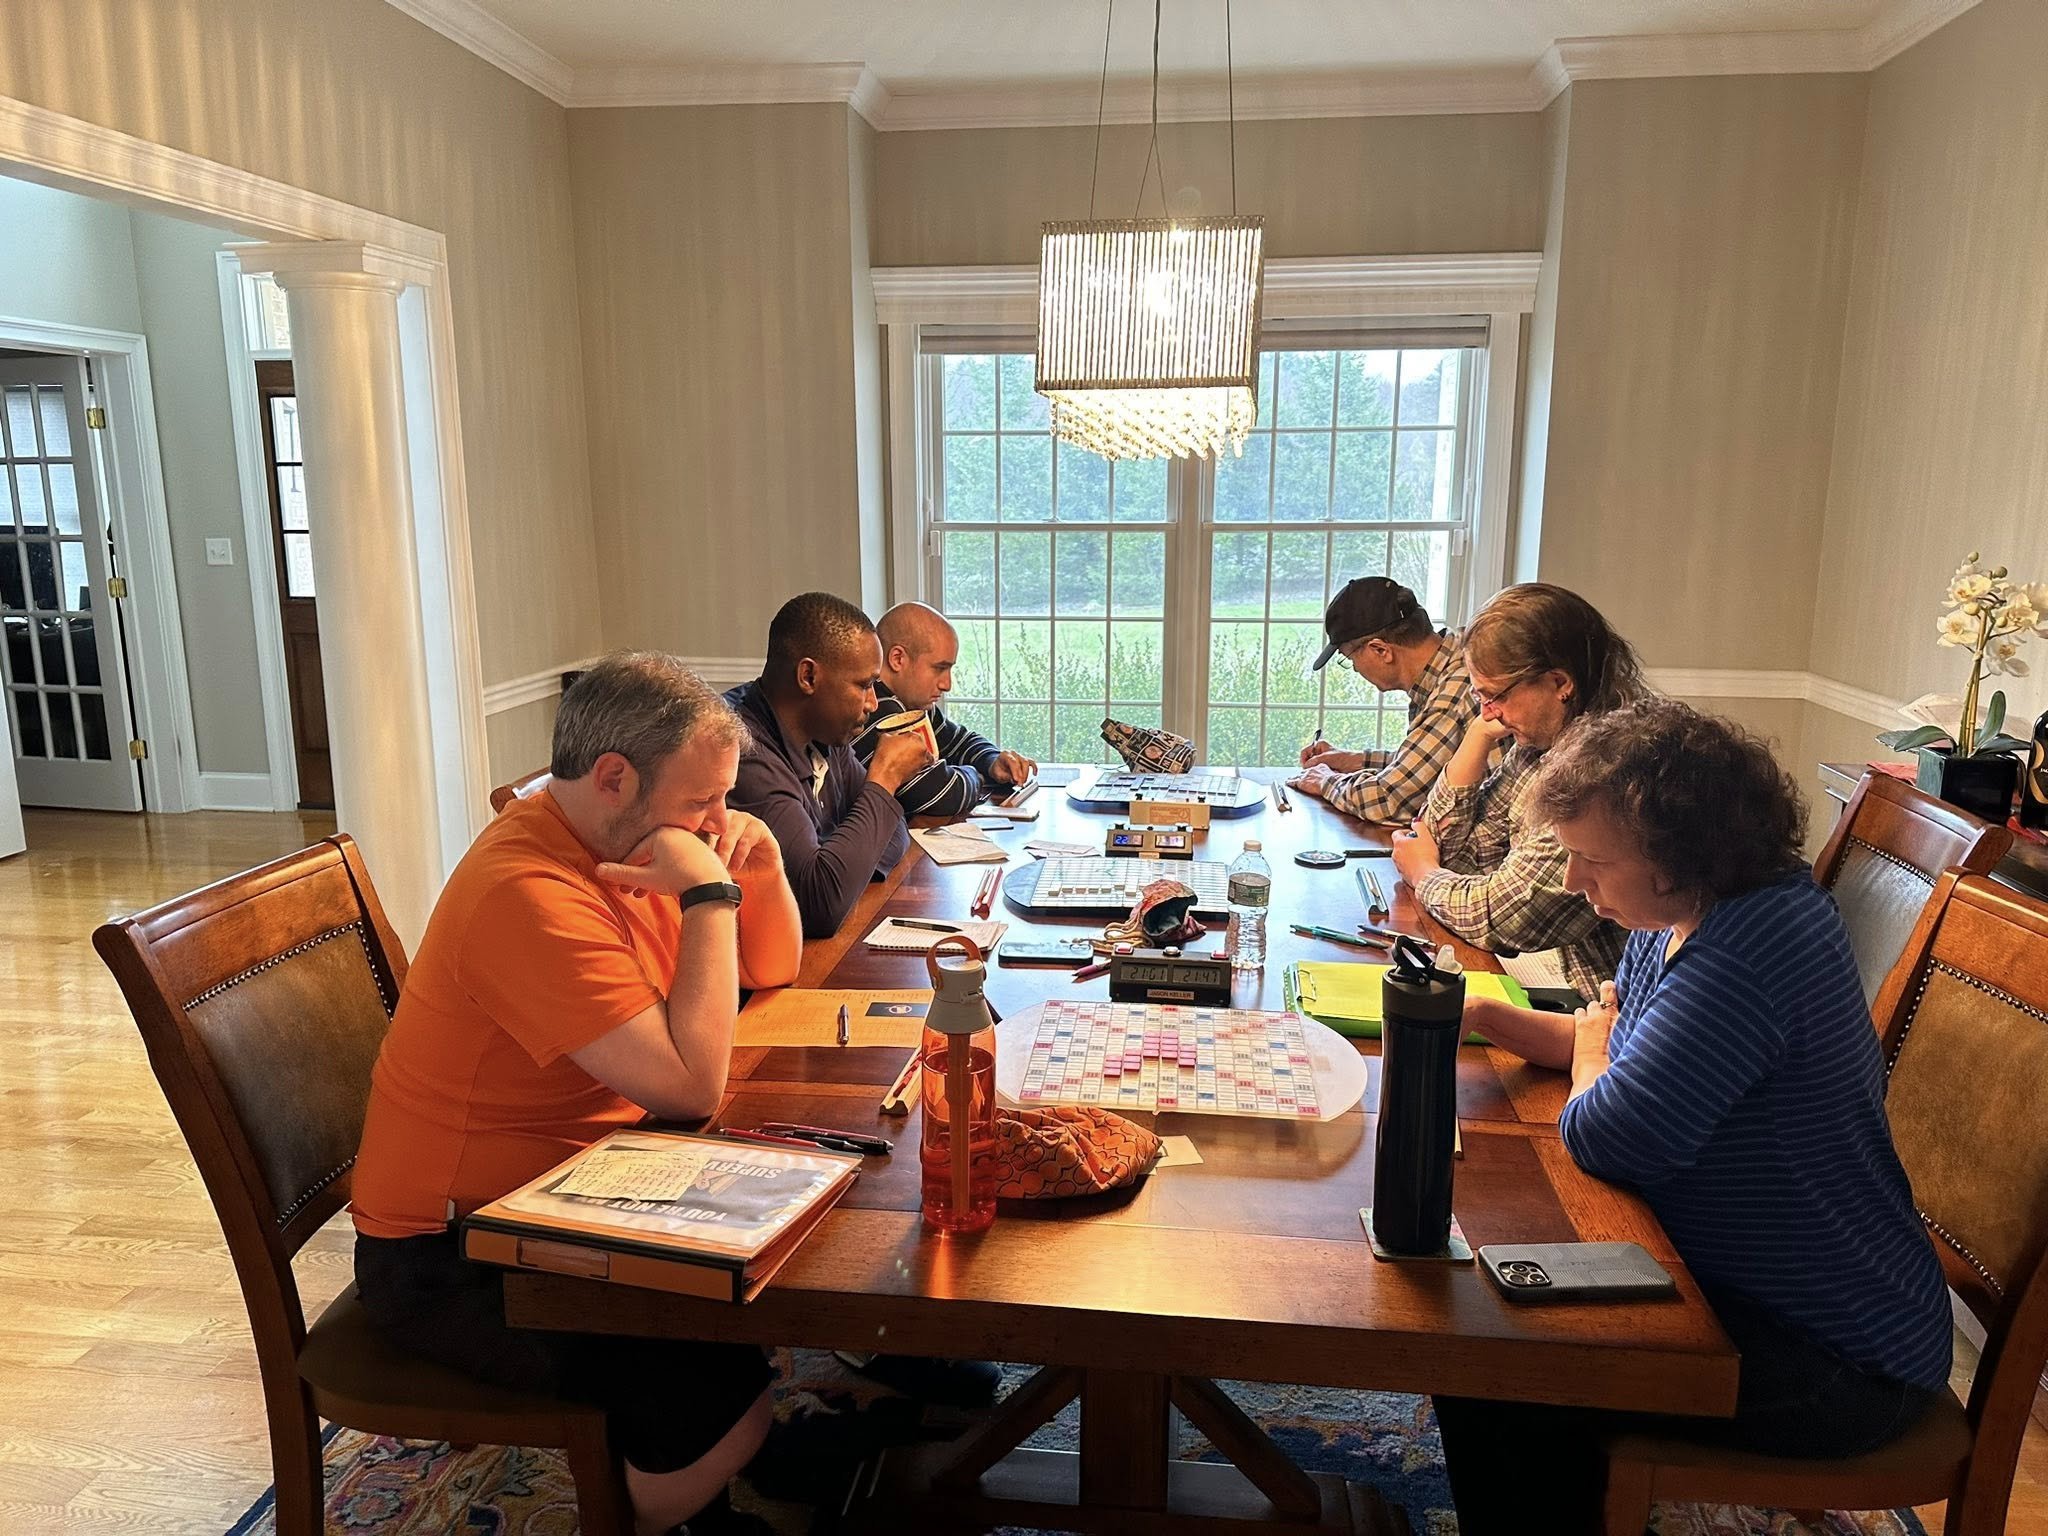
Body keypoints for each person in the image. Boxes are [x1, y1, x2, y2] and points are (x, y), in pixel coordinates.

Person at [1432, 699, 1952, 1532]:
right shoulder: (1684, 910)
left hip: (1837, 1358)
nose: (1572, 883)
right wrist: (1492, 1015)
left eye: (1592, 861)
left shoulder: (1751, 948)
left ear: (1678, 854)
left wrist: (1595, 1053)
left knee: (1495, 1364)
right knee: (1492, 1324)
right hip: (1758, 1296)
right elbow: (1617, 1050)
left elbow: (1612, 1136)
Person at [351, 653, 805, 1536]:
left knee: (771, 1266)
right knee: (723, 1391)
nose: (718, 822)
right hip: (449, 1254)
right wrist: (711, 894)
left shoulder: (617, 839)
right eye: (702, 801)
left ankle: (712, 1478)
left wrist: (759, 865)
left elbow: (774, 966)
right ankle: (640, 1513)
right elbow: (690, 1085)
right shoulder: (525, 890)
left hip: (577, 1184)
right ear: (613, 778)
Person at [1390, 582, 1641, 999]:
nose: (1488, 712)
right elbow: (1457, 853)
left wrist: (1423, 873)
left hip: (1602, 1002)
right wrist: (1476, 736)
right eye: (1479, 696)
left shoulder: (1602, 767)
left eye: (1494, 696)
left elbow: (1504, 918)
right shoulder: (1537, 743)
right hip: (1563, 975)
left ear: (1559, 682)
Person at [724, 593, 934, 939]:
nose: (873, 703)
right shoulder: (742, 751)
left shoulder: (824, 732)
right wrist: (883, 780)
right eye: (864, 685)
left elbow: (894, 835)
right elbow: (821, 905)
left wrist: (842, 867)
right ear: (808, 676)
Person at [1290, 576, 1474, 823]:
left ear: (1381, 650)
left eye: (1349, 658)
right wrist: (1352, 760)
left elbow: (1388, 800)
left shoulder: (1452, 695)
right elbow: (1425, 764)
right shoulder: (1455, 655)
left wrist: (1325, 780)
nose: (1355, 669)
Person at [852, 602, 1036, 818]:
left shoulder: (912, 704)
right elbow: (939, 795)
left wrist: (992, 761)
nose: (947, 684)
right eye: (939, 668)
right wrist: (976, 775)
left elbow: (958, 741)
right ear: (898, 659)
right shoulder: (876, 711)